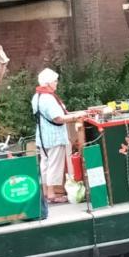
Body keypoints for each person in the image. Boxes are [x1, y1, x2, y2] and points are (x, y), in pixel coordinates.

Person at [32, 68, 84, 205]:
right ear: (48, 83)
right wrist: (75, 116)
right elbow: (57, 118)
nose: (57, 83)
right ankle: (52, 194)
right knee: (54, 165)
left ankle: (44, 192)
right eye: (55, 81)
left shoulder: (36, 96)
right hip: (54, 137)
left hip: (42, 137)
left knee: (45, 164)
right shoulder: (48, 98)